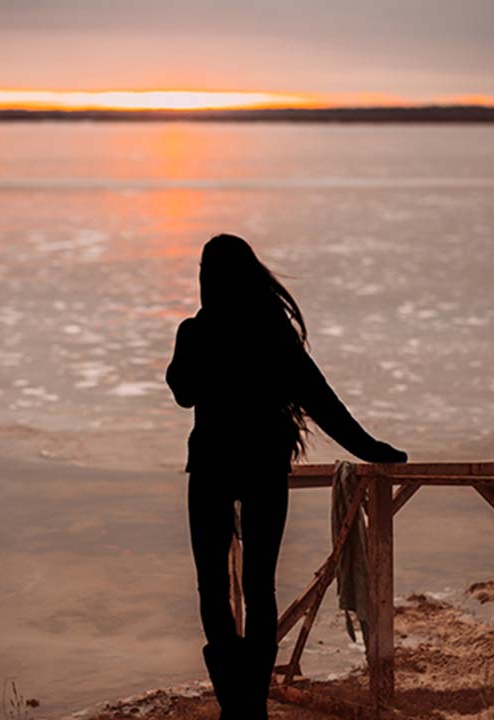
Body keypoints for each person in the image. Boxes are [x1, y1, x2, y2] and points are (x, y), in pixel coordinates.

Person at [166, 234, 406, 719]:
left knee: (212, 587)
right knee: (259, 588)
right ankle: (250, 705)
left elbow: (182, 390)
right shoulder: (272, 333)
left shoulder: (197, 331)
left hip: (212, 467)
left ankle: (236, 704)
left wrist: (199, 332)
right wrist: (371, 449)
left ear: (209, 278)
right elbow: (322, 402)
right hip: (263, 466)